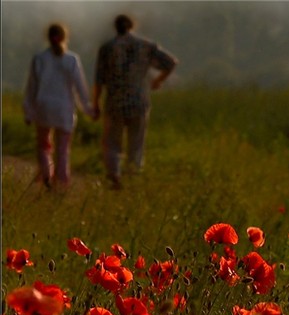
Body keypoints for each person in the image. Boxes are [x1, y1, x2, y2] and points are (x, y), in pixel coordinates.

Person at [93, 14, 178, 190]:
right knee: (136, 144)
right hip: (139, 101)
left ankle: (114, 175)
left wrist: (96, 103)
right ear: (132, 26)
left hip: (114, 102)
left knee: (112, 143)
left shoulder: (107, 48)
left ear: (115, 27)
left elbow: (99, 80)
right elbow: (171, 62)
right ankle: (132, 178)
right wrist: (158, 80)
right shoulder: (146, 46)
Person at [23, 23, 95, 189]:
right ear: (65, 37)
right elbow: (80, 88)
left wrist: (29, 111)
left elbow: (31, 87)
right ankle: (61, 182)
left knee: (44, 145)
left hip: (44, 108)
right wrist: (88, 109)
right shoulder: (71, 59)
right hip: (64, 110)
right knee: (63, 149)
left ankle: (47, 174)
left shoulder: (39, 59)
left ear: (48, 38)